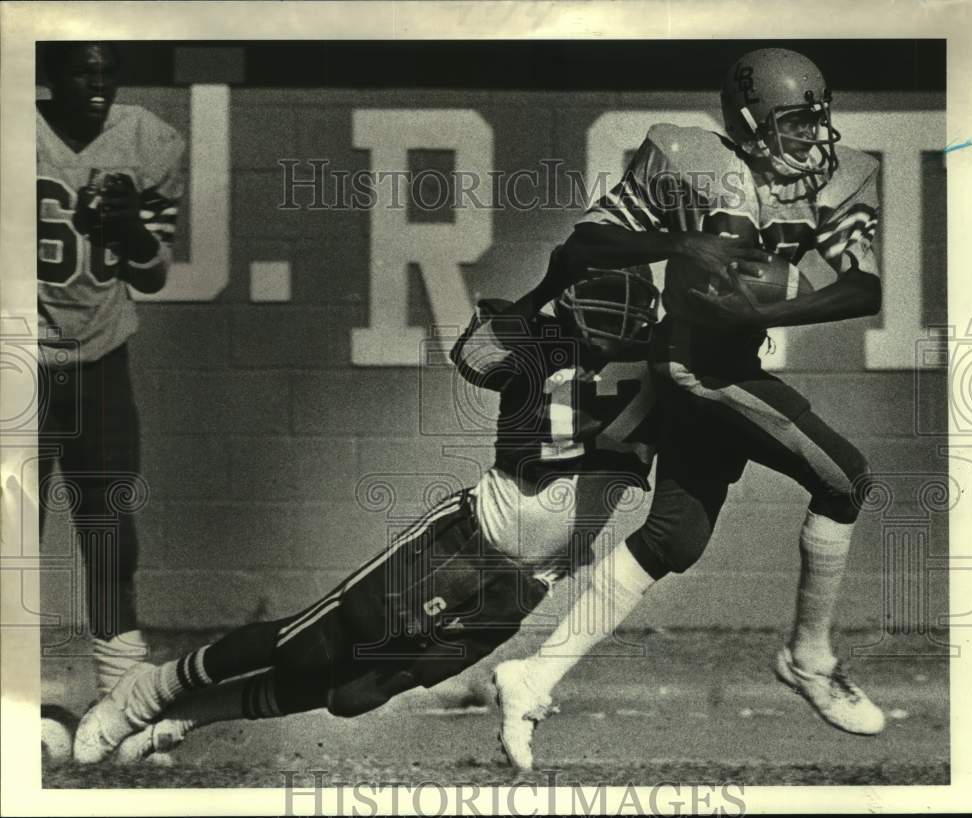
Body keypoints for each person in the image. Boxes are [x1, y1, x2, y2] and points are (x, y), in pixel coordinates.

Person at [72, 247, 676, 764]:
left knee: (356, 693)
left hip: (534, 578)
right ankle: (146, 694)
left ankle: (193, 715)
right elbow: (472, 355)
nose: (614, 317)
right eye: (602, 294)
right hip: (472, 538)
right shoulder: (540, 343)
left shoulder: (671, 374)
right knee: (311, 645)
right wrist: (545, 286)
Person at [493, 47, 886, 771]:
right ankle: (809, 656)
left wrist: (771, 306)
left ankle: (533, 676)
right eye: (797, 123)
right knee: (845, 477)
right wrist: (678, 241)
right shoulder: (690, 164)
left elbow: (866, 288)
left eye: (818, 120)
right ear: (751, 121)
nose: (815, 137)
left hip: (734, 358)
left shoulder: (841, 175)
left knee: (675, 539)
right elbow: (584, 246)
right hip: (695, 364)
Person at [36, 42, 185, 699]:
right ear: (49, 73)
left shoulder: (147, 140)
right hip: (19, 356)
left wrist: (132, 233)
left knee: (109, 525)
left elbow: (153, 274)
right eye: (80, 69)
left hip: (100, 354)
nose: (96, 83)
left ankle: (121, 693)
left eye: (107, 70)